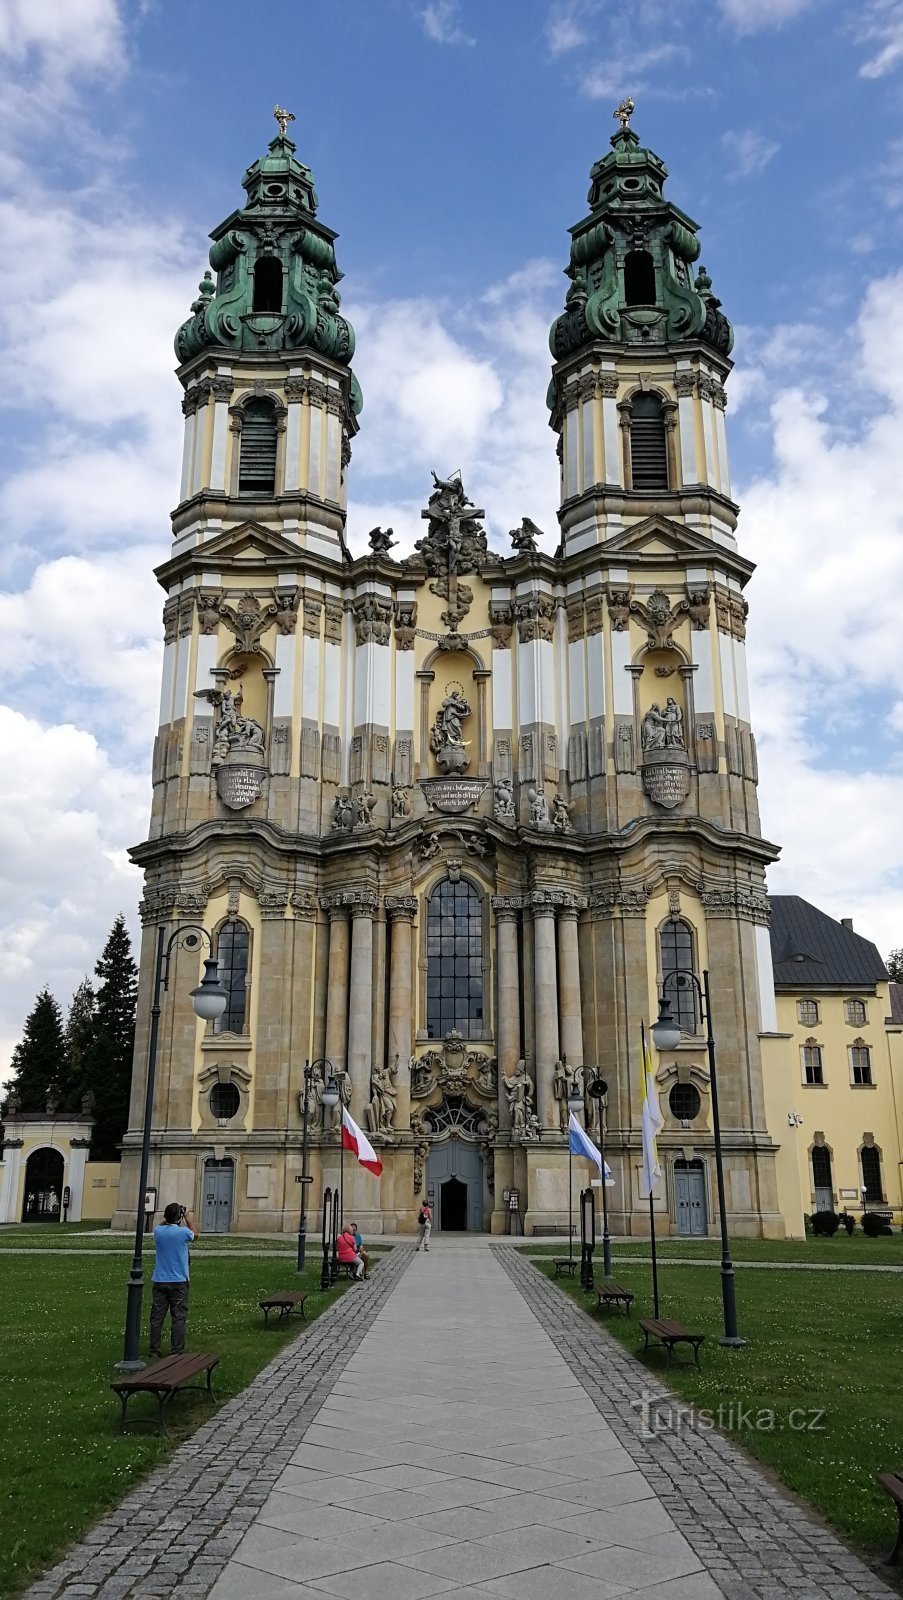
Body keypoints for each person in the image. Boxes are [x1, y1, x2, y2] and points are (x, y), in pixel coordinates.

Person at [149, 1201, 199, 1360]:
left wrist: (171, 1217)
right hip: (178, 1281)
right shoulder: (183, 1233)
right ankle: (176, 1350)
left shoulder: (158, 1231)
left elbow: (164, 1224)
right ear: (179, 1218)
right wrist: (187, 1216)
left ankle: (154, 1350)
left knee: (157, 1317)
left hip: (160, 1280)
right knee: (178, 1317)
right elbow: (195, 1234)